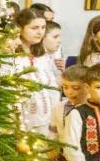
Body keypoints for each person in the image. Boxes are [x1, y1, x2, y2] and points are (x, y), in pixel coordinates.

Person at [4, 7, 60, 135]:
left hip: (45, 118)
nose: (40, 32)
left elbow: (51, 86)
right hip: (19, 121)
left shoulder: (42, 54)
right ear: (20, 28)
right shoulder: (11, 54)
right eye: (34, 28)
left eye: (43, 27)